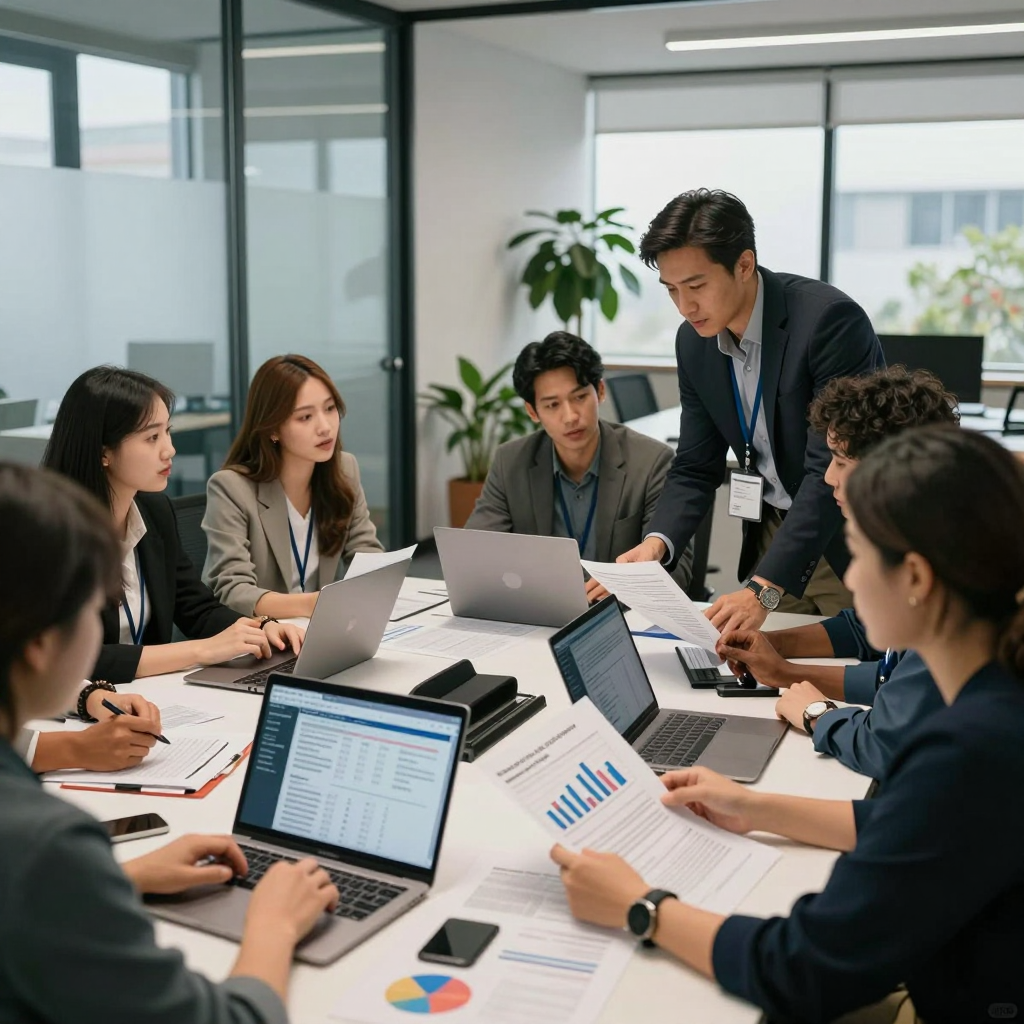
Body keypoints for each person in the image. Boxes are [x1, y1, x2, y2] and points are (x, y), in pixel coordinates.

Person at [553, 426, 1024, 1024]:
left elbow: (804, 967)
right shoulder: (991, 702)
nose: (850, 580)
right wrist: (754, 807)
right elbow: (915, 823)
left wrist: (640, 906)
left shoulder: (967, 748)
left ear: (915, 579)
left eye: (859, 553)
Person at [0, 460, 339, 1023]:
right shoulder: (45, 845)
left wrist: (117, 880)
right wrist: (275, 925)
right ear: (40, 646)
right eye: (90, 610)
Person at [617, 189, 882, 632]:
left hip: (843, 536)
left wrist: (763, 589)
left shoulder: (827, 323)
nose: (685, 307)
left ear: (744, 264)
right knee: (756, 661)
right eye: (672, 290)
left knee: (852, 659)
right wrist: (656, 544)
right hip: (773, 534)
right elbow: (695, 465)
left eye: (696, 286)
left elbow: (826, 470)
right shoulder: (694, 342)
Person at [717, 367, 958, 778]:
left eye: (841, 462)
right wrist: (777, 655)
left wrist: (817, 713)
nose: (828, 477)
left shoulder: (946, 577)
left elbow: (885, 742)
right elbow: (879, 653)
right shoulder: (926, 537)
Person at [42, 366, 303, 685]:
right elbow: (72, 657)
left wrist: (262, 627)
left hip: (153, 693)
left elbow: (196, 608)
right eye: (152, 437)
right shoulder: (51, 535)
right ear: (104, 453)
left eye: (167, 431)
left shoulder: (154, 511)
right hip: (84, 703)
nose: (170, 449)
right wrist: (201, 651)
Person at [465, 332, 693, 599]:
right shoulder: (511, 462)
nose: (570, 416)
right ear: (532, 411)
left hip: (619, 611)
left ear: (600, 391)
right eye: (552, 405)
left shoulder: (651, 462)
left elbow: (679, 571)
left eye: (580, 397)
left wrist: (626, 587)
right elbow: (475, 554)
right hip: (542, 608)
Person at [202, 354, 383, 618]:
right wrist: (314, 604)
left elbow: (366, 552)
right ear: (272, 429)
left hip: (323, 626)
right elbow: (232, 590)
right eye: (305, 417)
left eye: (330, 408)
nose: (325, 427)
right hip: (263, 631)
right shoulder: (232, 488)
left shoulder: (345, 469)